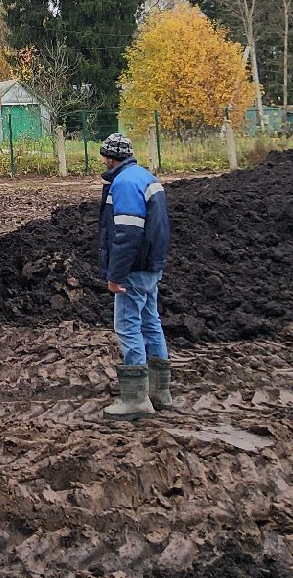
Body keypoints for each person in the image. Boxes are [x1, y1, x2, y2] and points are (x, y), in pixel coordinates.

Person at [94, 133, 172, 419]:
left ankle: (136, 399)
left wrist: (116, 275)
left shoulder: (124, 183)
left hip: (134, 270)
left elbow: (127, 234)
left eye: (104, 156)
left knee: (128, 327)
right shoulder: (145, 177)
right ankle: (160, 392)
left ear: (110, 157)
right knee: (151, 323)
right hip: (151, 266)